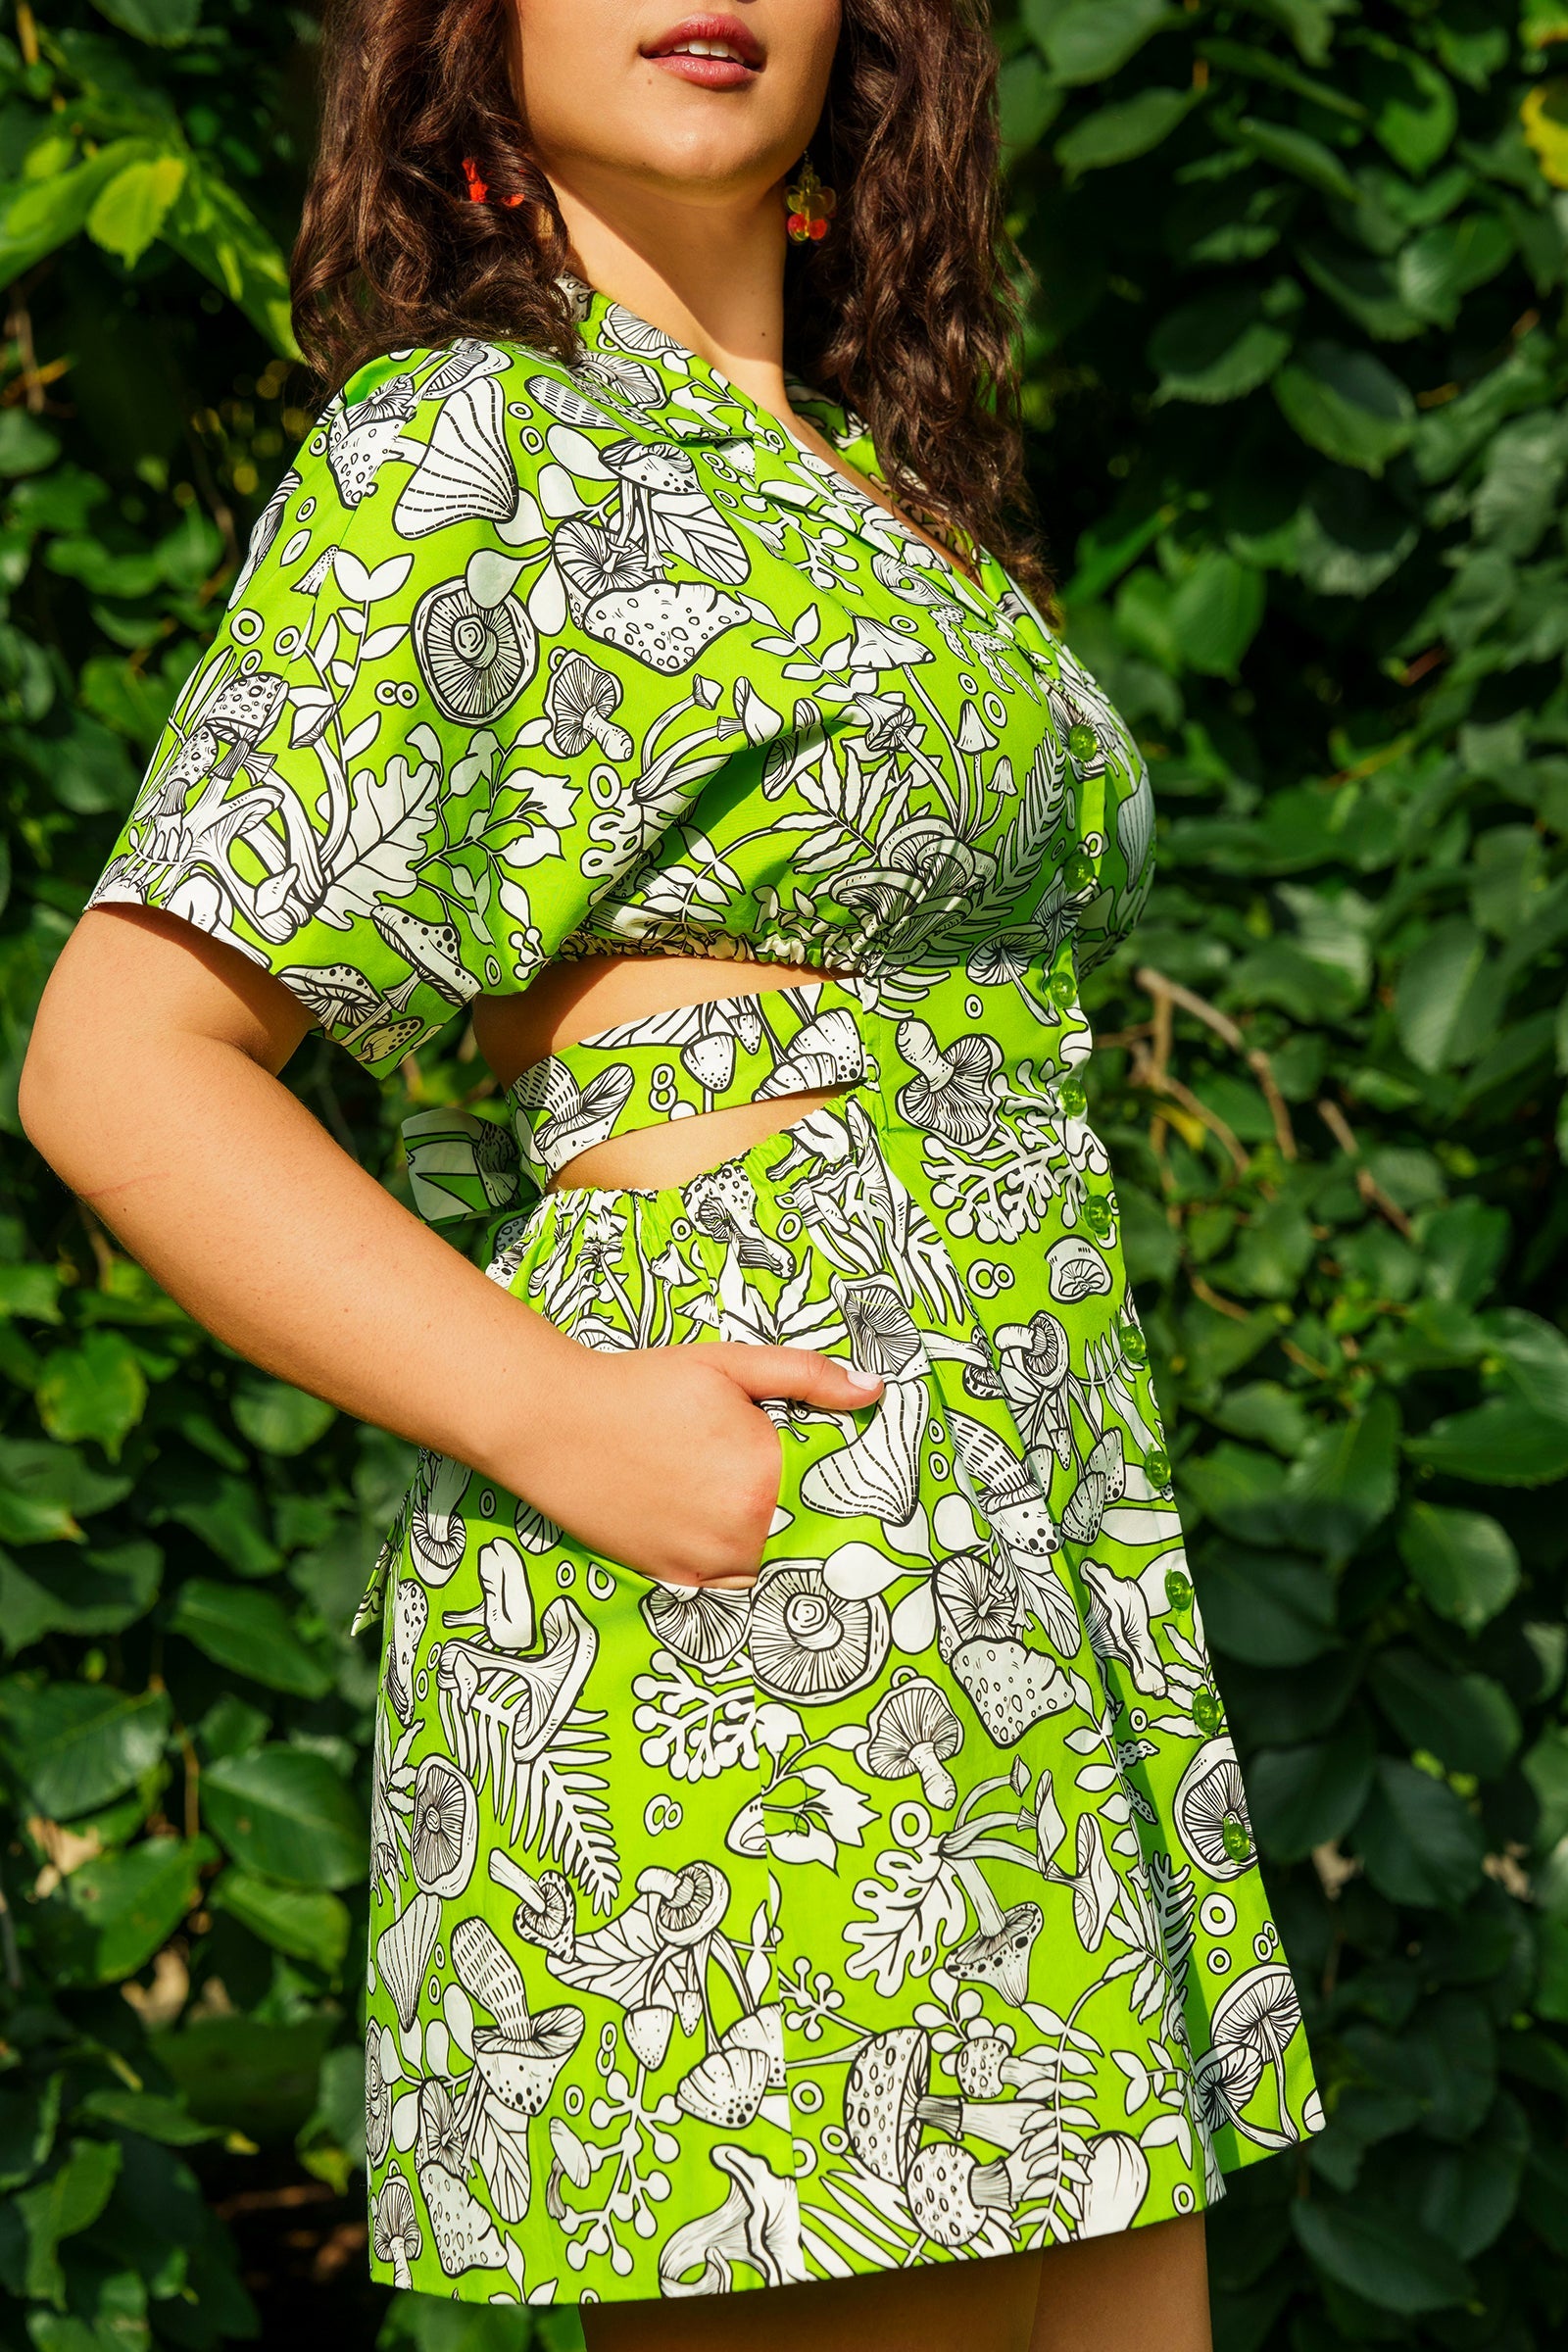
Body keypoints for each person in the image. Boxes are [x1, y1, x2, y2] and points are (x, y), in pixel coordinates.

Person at [19, 2, 1320, 2346]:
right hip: (753, 1607)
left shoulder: (864, 477)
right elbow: (119, 1064)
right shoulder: (470, 436)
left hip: (1025, 1591)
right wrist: (558, 1415)